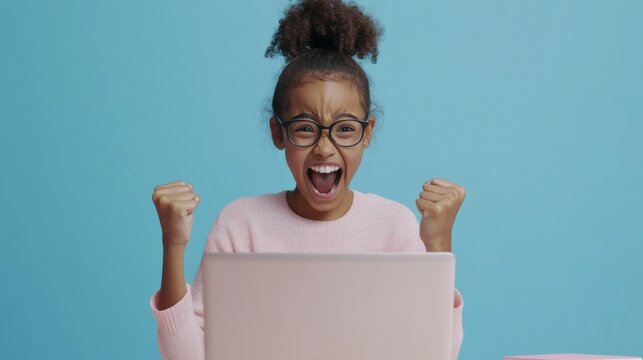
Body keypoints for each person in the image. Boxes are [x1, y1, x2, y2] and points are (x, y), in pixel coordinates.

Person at [149, 0, 466, 359]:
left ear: (367, 133)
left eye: (345, 129)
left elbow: (434, 354)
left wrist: (438, 245)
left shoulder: (394, 226)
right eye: (305, 128)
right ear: (277, 133)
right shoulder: (241, 224)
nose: (325, 148)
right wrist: (173, 246)